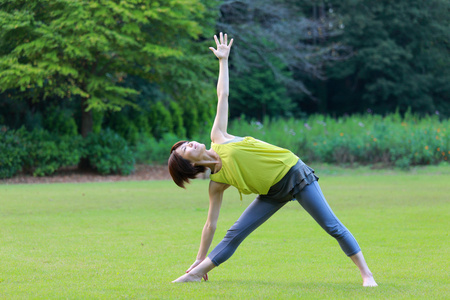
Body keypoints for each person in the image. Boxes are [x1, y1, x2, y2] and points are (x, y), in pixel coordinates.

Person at [168, 33, 377, 287]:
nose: (188, 143)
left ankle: (367, 275)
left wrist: (223, 61)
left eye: (185, 143)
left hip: (294, 173)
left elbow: (223, 96)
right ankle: (196, 273)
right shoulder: (217, 183)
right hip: (271, 193)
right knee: (234, 234)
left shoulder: (218, 137)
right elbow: (210, 224)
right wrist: (199, 259)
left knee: (331, 225)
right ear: (190, 165)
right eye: (184, 151)